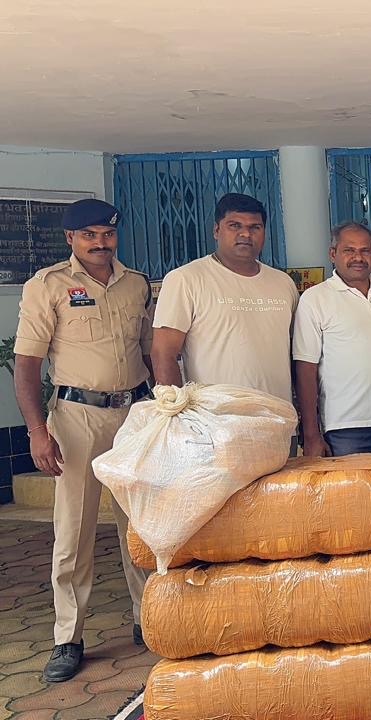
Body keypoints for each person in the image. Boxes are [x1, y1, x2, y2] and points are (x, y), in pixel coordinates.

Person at [13, 199, 152, 682]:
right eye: (89, 235)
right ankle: (67, 637)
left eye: (107, 234)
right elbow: (27, 365)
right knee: (74, 531)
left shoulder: (136, 285)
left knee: (140, 524)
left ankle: (148, 618)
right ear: (71, 238)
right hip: (77, 419)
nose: (100, 243)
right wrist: (37, 431)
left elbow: (150, 352)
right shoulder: (48, 285)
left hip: (134, 415)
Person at [151, 193, 298, 403]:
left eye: (255, 227)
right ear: (216, 230)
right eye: (235, 225)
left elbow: (295, 353)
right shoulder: (185, 279)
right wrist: (176, 411)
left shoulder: (283, 283)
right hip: (214, 416)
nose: (245, 234)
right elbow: (163, 353)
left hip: (277, 414)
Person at [293, 222, 371, 456]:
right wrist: (311, 434)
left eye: (365, 250)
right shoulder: (315, 299)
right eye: (349, 250)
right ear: (333, 254)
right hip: (345, 428)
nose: (358, 257)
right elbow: (305, 369)